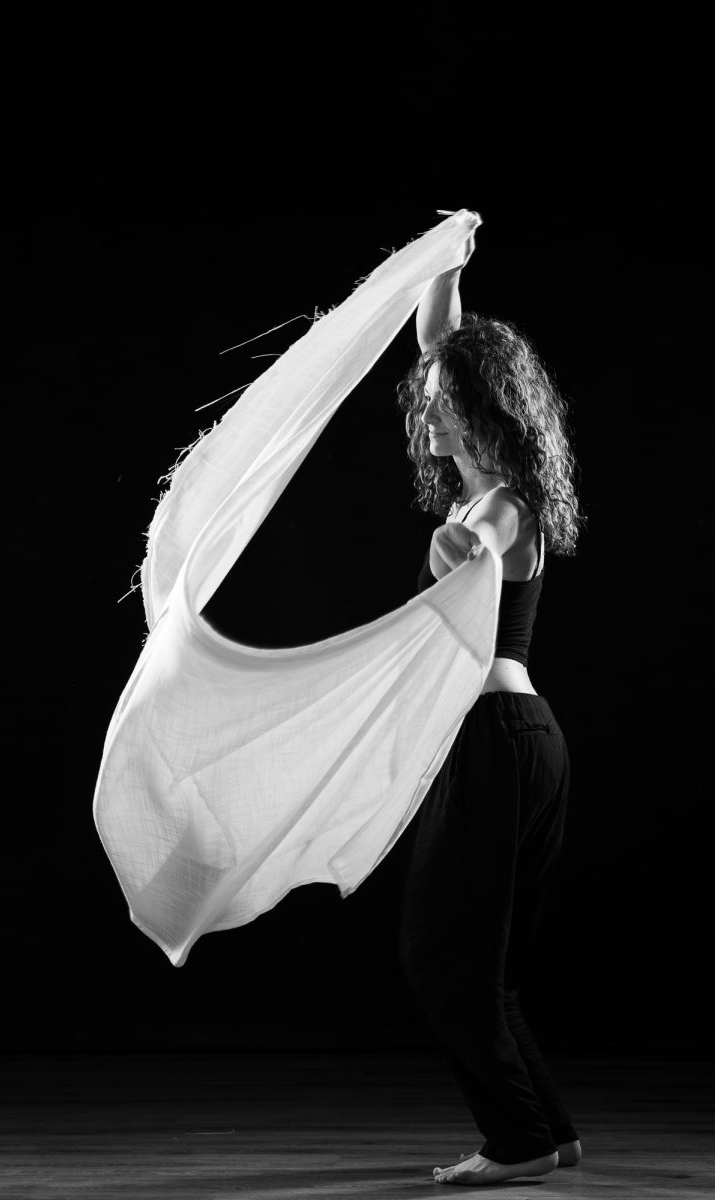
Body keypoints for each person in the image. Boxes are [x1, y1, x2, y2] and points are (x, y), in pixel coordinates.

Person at [396, 226, 585, 1186]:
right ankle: (548, 1130)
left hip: (499, 743)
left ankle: (512, 1144)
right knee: (488, 967)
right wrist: (447, 260)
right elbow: (440, 341)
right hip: (521, 740)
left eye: (441, 407)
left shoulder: (503, 505)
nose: (426, 419)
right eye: (428, 405)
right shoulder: (491, 496)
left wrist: (451, 549)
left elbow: (477, 561)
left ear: (484, 411)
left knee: (441, 957)